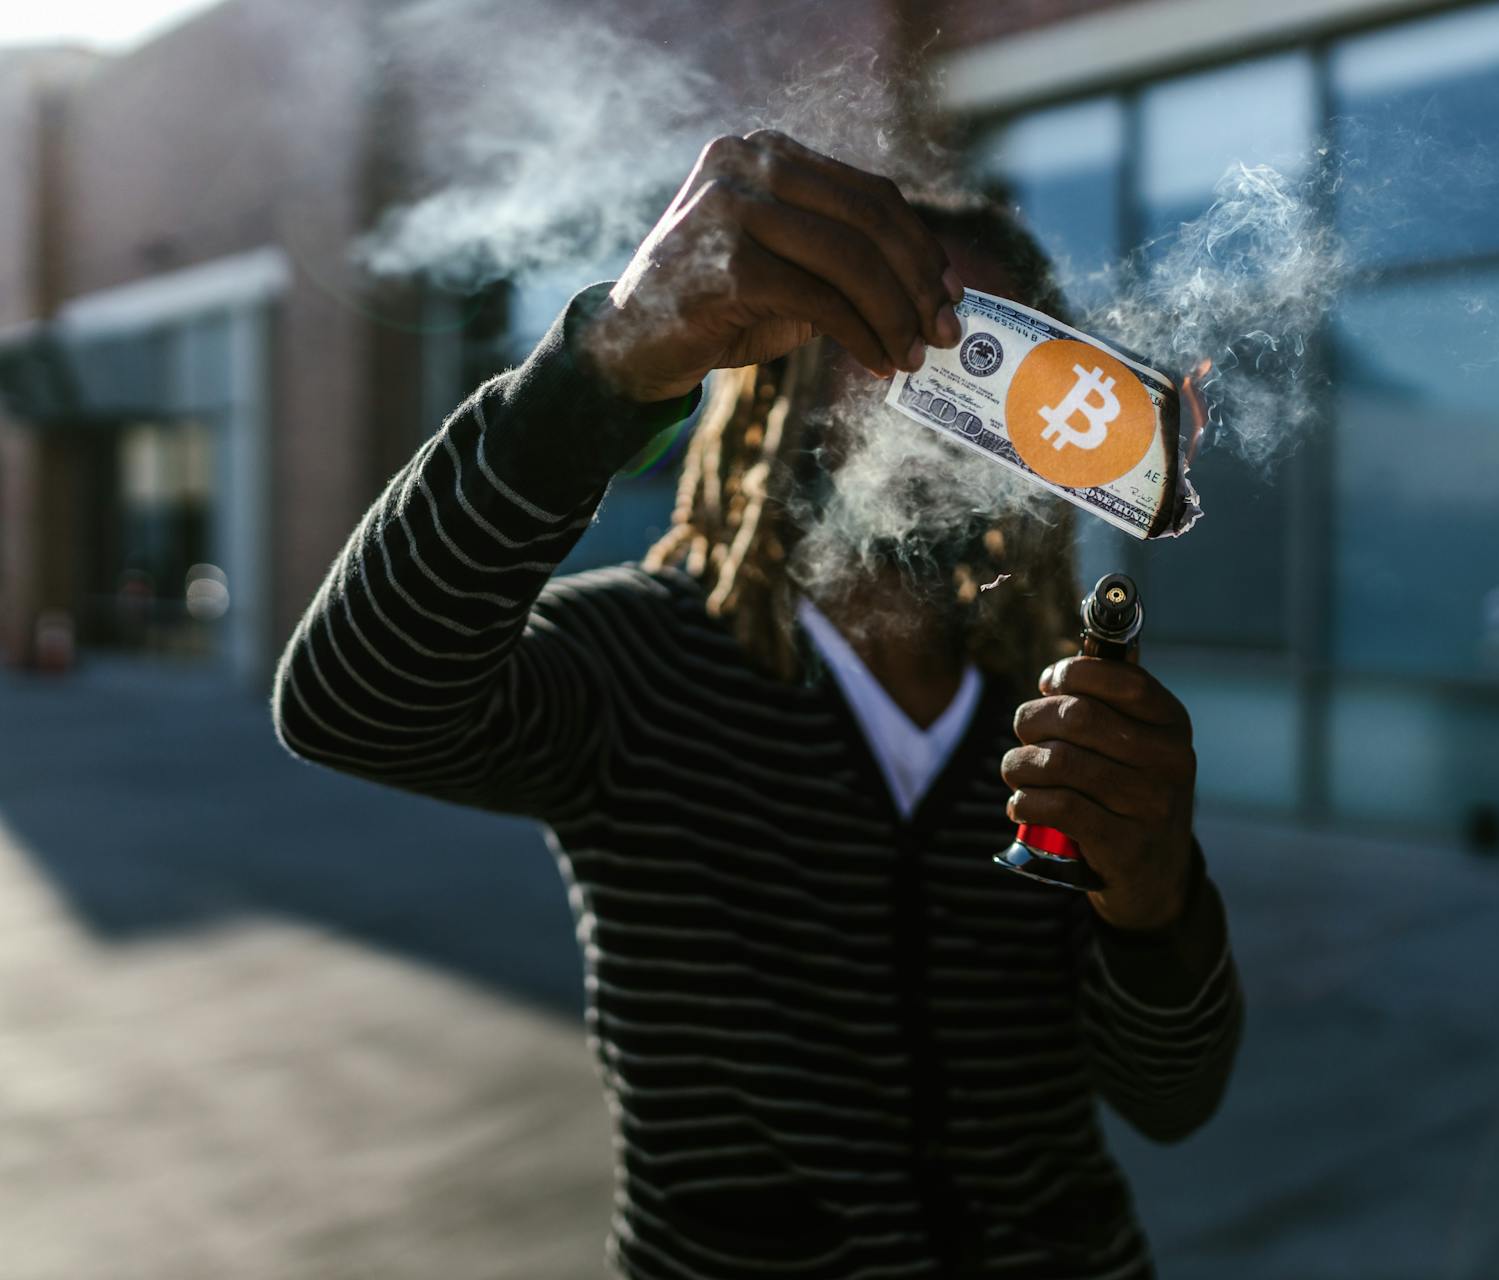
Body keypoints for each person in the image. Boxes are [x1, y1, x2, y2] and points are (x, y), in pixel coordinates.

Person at [273, 130, 1242, 1280]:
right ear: (789, 365)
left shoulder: (1043, 708)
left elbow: (1171, 1099)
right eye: (913, 337)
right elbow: (352, 702)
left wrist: (1157, 898)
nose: (952, 393)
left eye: (999, 358)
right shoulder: (635, 657)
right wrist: (605, 367)